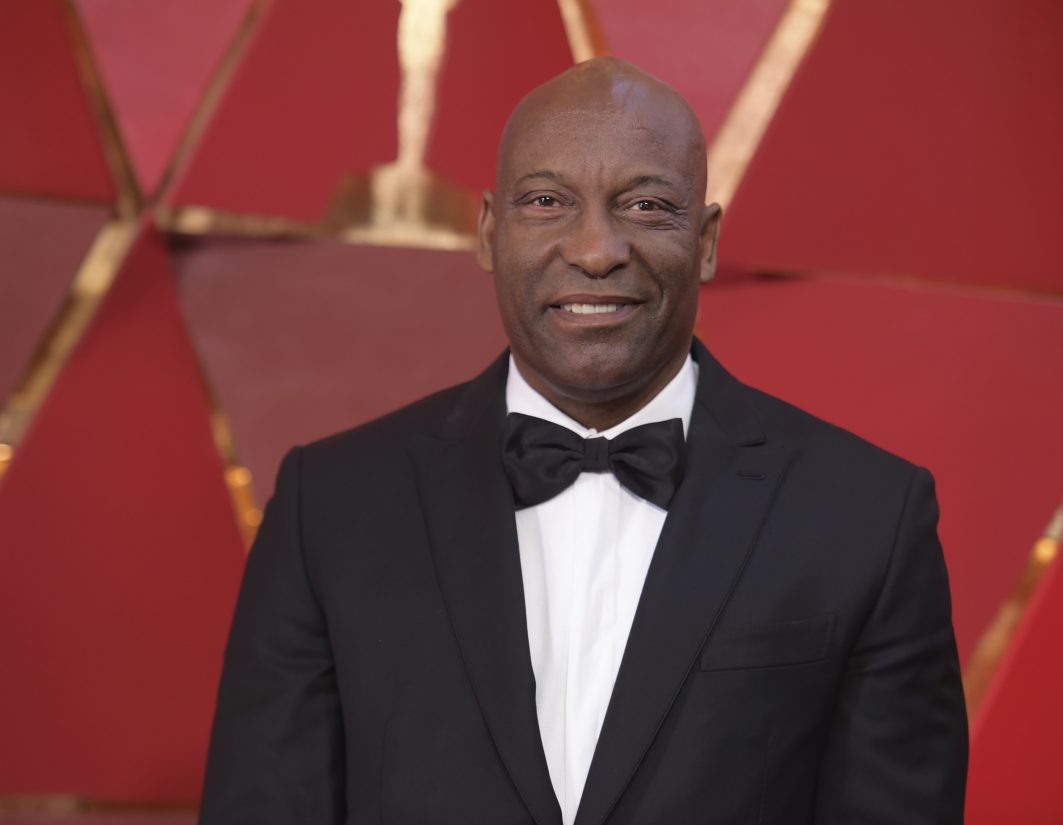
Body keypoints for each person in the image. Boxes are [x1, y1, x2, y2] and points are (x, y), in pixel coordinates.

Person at [198, 57, 968, 825]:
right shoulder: (329, 508)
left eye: (644, 204)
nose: (596, 250)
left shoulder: (868, 518)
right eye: (547, 201)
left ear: (703, 241)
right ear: (491, 233)